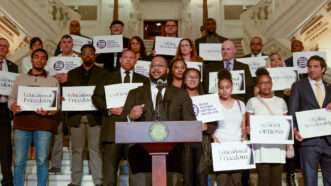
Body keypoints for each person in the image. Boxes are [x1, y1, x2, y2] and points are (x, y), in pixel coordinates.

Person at [121, 55, 196, 186]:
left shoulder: (180, 94)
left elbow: (190, 123)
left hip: (173, 158)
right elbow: (122, 125)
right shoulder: (135, 93)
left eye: (160, 66)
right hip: (140, 158)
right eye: (153, 66)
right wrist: (130, 117)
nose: (156, 69)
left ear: (167, 70)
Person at [92, 49, 148, 186]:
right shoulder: (107, 77)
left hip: (135, 132)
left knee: (137, 176)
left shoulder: (144, 80)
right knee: (109, 176)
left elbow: (149, 101)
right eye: (125, 57)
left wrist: (140, 109)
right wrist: (109, 109)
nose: (128, 60)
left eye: (131, 58)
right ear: (120, 60)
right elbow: (96, 97)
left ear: (136, 61)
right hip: (112, 130)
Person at [8, 48, 59, 186]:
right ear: (31, 60)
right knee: (19, 161)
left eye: (43, 57)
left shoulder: (52, 81)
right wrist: (12, 106)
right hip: (22, 123)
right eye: (36, 57)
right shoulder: (20, 78)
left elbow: (56, 106)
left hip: (43, 124)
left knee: (42, 160)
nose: (39, 60)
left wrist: (48, 112)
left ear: (46, 61)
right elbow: (11, 98)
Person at [65, 44, 106, 186]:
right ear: (81, 56)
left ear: (95, 56)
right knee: (77, 150)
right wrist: (65, 99)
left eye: (91, 53)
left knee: (95, 150)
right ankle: (75, 182)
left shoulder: (103, 73)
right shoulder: (72, 73)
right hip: (76, 117)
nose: (88, 55)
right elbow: (67, 94)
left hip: (95, 117)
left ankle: (99, 181)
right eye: (85, 53)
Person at [246, 68, 293, 186]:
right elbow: (249, 124)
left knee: (277, 181)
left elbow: (286, 125)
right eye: (261, 83)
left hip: (278, 148)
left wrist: (289, 145)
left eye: (267, 82)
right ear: (258, 85)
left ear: (272, 84)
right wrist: (249, 129)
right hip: (261, 148)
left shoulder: (281, 101)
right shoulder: (252, 101)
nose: (265, 85)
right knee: (264, 180)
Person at [289, 55, 331, 186]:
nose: (312, 69)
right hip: (308, 141)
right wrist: (295, 131)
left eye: (316, 66)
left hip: (329, 141)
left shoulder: (330, 87)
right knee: (309, 181)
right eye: (309, 66)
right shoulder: (298, 86)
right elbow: (292, 111)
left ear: (323, 69)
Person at [49, 34, 79, 174]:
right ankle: (56, 165)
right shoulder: (52, 60)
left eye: (69, 42)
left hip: (74, 100)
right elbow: (46, 77)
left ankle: (75, 165)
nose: (66, 44)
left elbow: (82, 78)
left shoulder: (78, 60)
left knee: (75, 133)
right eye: (64, 42)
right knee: (57, 133)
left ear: (73, 45)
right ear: (60, 45)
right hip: (56, 99)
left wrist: (70, 77)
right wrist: (53, 78)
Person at [212, 69, 246, 186]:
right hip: (221, 146)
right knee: (222, 181)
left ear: (232, 88)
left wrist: (244, 137)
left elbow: (243, 126)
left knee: (237, 181)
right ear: (218, 89)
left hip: (237, 148)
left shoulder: (240, 104)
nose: (224, 90)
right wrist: (213, 138)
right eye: (221, 88)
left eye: (227, 87)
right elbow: (209, 125)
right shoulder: (214, 103)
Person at [182, 68, 211, 186]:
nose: (192, 79)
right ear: (184, 80)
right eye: (189, 77)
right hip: (184, 141)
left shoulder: (207, 99)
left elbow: (214, 121)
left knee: (201, 176)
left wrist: (207, 127)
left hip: (202, 141)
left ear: (200, 80)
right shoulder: (178, 97)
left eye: (196, 77)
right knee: (187, 177)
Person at [0, 37, 18, 186]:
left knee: (5, 147)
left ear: (8, 50)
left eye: (5, 46)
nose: (2, 48)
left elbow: (16, 89)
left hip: (4, 110)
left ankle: (7, 180)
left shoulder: (13, 67)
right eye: (0, 45)